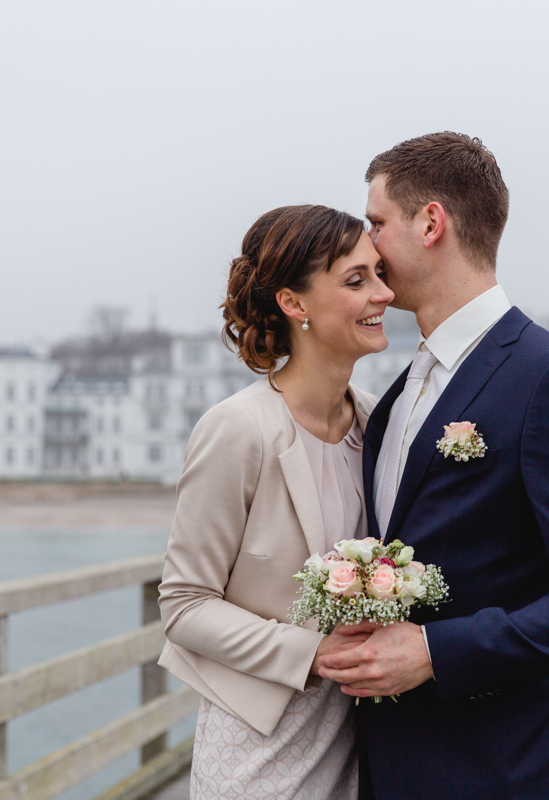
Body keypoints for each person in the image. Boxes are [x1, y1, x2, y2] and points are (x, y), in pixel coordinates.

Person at [317, 132, 549, 799]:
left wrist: (437, 651)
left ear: (432, 223)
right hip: (392, 766)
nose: (367, 243)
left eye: (378, 223)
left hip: (509, 769)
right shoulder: (393, 400)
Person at [157, 204, 395, 799]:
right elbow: (184, 605)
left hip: (363, 746)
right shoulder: (238, 428)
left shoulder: (379, 423)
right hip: (259, 751)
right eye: (356, 280)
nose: (384, 294)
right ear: (294, 303)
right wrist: (314, 655)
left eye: (380, 274)